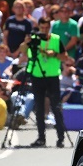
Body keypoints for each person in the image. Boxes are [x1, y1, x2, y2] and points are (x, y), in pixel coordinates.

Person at [18, 17, 68, 147]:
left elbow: (65, 57)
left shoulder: (56, 39)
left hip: (52, 77)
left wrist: (55, 54)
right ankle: (41, 138)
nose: (44, 30)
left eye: (46, 28)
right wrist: (26, 42)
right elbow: (23, 50)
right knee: (39, 108)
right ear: (39, 27)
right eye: (42, 28)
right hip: (37, 75)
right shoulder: (34, 39)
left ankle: (61, 138)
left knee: (56, 107)